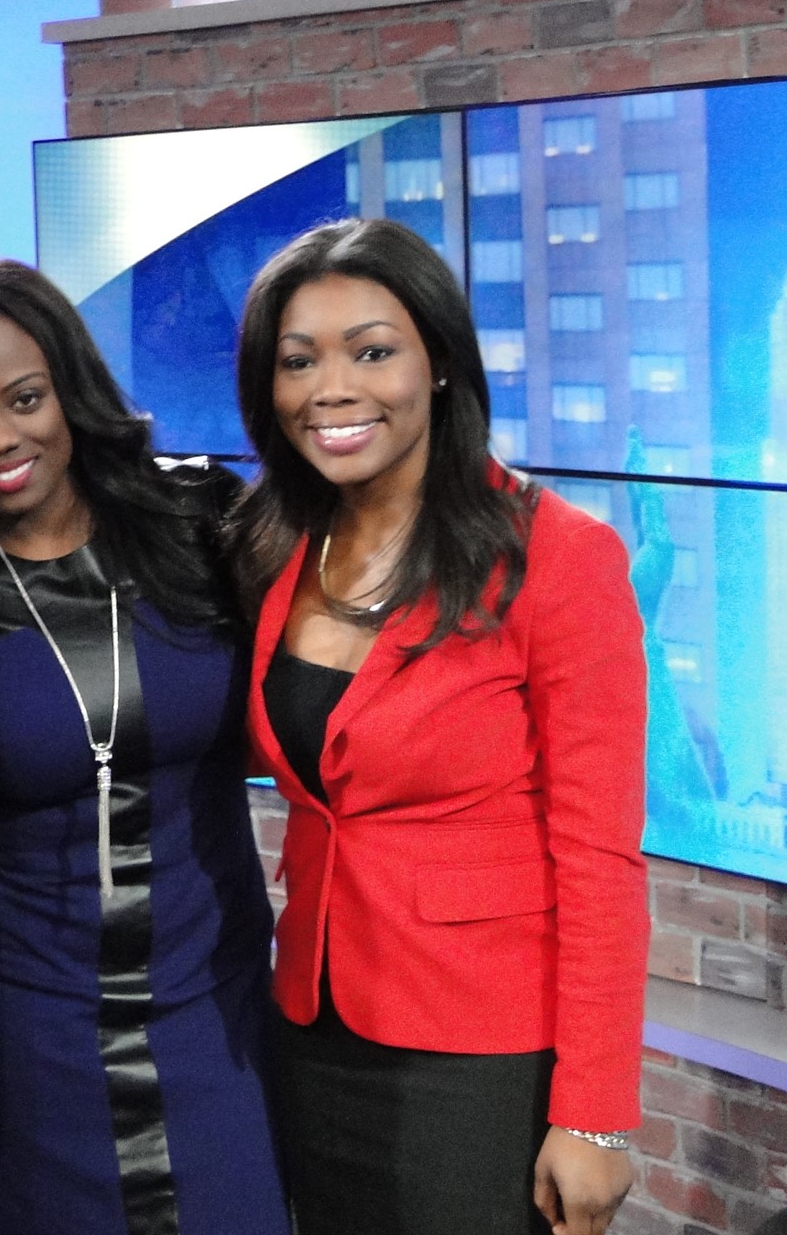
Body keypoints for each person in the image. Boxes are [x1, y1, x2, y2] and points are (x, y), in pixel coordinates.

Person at [230, 218, 648, 1235]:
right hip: (308, 1023)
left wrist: (595, 1116)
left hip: (479, 1050)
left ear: (443, 364)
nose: (331, 387)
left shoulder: (559, 556)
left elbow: (601, 857)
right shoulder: (273, 539)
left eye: (372, 350)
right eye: (298, 360)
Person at [0, 259, 290, 1234]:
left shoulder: (200, 520)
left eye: (24, 398)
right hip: (26, 1035)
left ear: (69, 384)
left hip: (219, 1012)